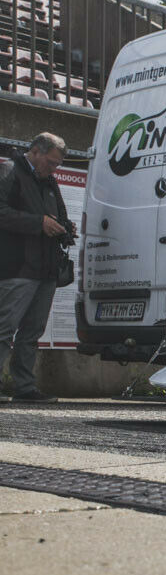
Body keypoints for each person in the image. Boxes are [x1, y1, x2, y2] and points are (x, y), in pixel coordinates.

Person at [0, 132, 72, 404]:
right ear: (35, 152)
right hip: (17, 267)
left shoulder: (50, 182)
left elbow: (61, 215)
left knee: (32, 333)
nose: (54, 168)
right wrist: (37, 223)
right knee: (4, 329)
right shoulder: (10, 171)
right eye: (51, 162)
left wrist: (64, 228)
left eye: (57, 164)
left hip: (45, 269)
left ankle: (25, 387)